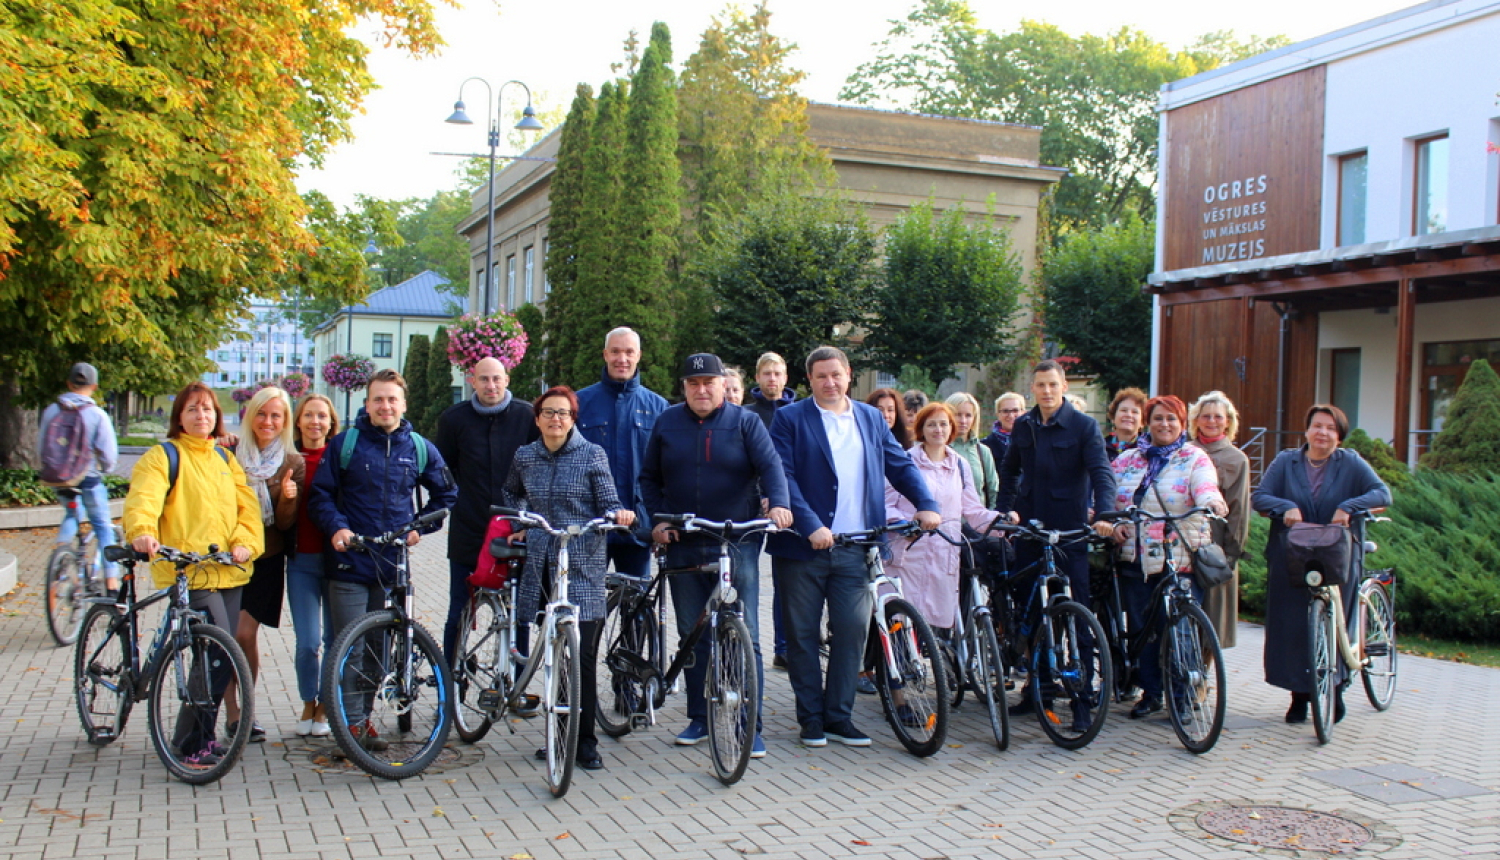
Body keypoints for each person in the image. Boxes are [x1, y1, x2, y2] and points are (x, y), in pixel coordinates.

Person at [768, 346, 940, 748]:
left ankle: (838, 717)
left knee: (851, 633)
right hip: (802, 549)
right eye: (821, 376)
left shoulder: (869, 418)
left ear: (848, 375)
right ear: (809, 380)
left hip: (857, 546)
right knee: (803, 636)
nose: (830, 382)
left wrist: (927, 504)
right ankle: (810, 719)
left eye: (836, 374)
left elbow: (899, 465)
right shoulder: (789, 418)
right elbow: (783, 477)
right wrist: (810, 525)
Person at [639, 354, 791, 757]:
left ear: (724, 385)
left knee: (747, 636)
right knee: (693, 634)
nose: (702, 389)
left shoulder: (745, 422)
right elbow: (648, 478)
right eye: (694, 383)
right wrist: (657, 521)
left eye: (710, 382)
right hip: (684, 540)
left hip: (735, 540)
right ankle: (699, 717)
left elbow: (771, 466)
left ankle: (749, 726)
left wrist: (778, 504)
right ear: (684, 387)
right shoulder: (667, 421)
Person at [308, 369, 456, 756]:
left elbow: (446, 495)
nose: (385, 406)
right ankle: (351, 727)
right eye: (378, 399)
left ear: (403, 405)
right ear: (367, 404)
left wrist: (419, 528)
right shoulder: (346, 443)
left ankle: (362, 719)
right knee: (351, 648)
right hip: (349, 562)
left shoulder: (419, 448)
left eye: (392, 399)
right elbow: (320, 496)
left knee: (378, 649)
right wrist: (337, 527)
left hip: (392, 565)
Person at [122, 381, 262, 768]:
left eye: (207, 409)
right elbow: (144, 499)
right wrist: (143, 532)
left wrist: (245, 543)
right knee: (216, 651)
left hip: (228, 570)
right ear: (179, 418)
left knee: (219, 656)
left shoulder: (224, 459)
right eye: (193, 409)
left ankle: (201, 735)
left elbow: (246, 508)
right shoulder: (163, 456)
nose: (202, 416)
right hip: (188, 569)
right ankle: (189, 741)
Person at [503, 386, 635, 771]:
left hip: (583, 561)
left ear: (573, 418)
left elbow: (609, 501)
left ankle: (585, 741)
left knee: (583, 657)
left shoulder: (592, 454)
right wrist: (524, 521)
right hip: (546, 562)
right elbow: (512, 493)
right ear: (538, 418)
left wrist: (618, 515)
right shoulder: (525, 456)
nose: (556, 419)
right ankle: (558, 735)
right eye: (549, 412)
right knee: (556, 656)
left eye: (563, 413)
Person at [1252, 404, 1390, 724]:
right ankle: (1299, 696)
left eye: (1330, 428)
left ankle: (1336, 690)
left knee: (1337, 620)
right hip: (1293, 554)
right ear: (1306, 430)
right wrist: (1284, 506)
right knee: (1294, 625)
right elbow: (1260, 497)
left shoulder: (1352, 463)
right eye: (1317, 426)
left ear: (1339, 436)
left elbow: (1381, 493)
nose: (1322, 433)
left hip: (1338, 553)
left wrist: (1348, 506)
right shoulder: (1287, 461)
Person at [997, 360, 1116, 727]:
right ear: (1032, 388)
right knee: (1030, 613)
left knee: (1078, 617)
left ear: (1063, 386)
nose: (1046, 391)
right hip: (1031, 530)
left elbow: (1101, 472)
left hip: (1069, 533)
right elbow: (1010, 471)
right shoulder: (1025, 425)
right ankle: (1039, 691)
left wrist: (1106, 515)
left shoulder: (1084, 426)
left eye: (1053, 384)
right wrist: (1003, 513)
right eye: (1040, 385)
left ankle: (1082, 702)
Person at [1110, 395, 1228, 718]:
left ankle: (1182, 695)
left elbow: (1206, 488)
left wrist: (1213, 503)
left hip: (1180, 557)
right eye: (1158, 418)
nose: (1164, 425)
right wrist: (1111, 524)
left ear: (1182, 424)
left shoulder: (1195, 458)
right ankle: (1151, 692)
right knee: (1143, 630)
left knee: (1180, 629)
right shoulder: (1128, 460)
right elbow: (1109, 498)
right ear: (1148, 423)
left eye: (1171, 419)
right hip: (1135, 557)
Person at [434, 356, 538, 663]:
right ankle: (451, 679)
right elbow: (444, 470)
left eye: (496, 378)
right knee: (459, 610)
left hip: (515, 531)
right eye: (483, 379)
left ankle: (517, 685)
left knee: (519, 612)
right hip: (470, 529)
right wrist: (456, 501)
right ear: (472, 381)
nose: (490, 385)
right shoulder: (454, 419)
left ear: (507, 379)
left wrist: (529, 515)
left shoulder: (527, 416)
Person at [224, 386, 305, 742]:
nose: (267, 421)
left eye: (276, 416)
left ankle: (248, 706)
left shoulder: (292, 462)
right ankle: (232, 714)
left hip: (266, 558)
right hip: (227, 558)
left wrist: (288, 499)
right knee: (224, 635)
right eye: (261, 413)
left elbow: (286, 525)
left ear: (285, 421)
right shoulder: (229, 452)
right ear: (250, 415)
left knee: (244, 634)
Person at [885, 402, 1004, 637]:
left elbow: (971, 509)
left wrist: (999, 521)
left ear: (951, 428)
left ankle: (933, 670)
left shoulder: (960, 464)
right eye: (932, 424)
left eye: (943, 424)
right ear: (921, 429)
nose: (938, 429)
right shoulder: (905, 460)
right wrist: (903, 523)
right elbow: (885, 503)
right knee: (901, 621)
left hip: (944, 552)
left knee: (934, 626)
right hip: (909, 550)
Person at [575, 327, 667, 579]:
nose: (622, 359)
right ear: (605, 354)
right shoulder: (580, 403)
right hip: (591, 525)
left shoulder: (659, 407)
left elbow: (665, 470)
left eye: (629, 352)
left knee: (637, 610)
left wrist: (659, 520)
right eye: (615, 351)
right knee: (587, 610)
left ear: (639, 355)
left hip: (638, 526)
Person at [39, 362, 120, 589]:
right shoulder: (96, 414)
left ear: (68, 383)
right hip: (89, 478)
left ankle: (60, 559)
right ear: (94, 386)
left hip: (59, 477)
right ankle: (111, 582)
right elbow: (108, 455)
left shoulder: (51, 411)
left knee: (72, 515)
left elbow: (41, 446)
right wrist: (106, 469)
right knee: (102, 525)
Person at [287, 393, 337, 737]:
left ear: (331, 422)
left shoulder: (339, 457)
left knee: (334, 639)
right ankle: (308, 700)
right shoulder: (287, 458)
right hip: (301, 560)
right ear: (299, 421)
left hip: (337, 561)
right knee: (308, 642)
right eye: (309, 415)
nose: (315, 422)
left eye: (322, 416)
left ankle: (325, 707)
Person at [745, 351, 797, 670]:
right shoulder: (747, 414)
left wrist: (780, 500)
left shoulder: (801, 413)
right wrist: (761, 496)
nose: (772, 379)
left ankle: (784, 647)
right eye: (767, 374)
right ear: (758, 377)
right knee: (745, 576)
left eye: (777, 373)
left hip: (787, 508)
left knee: (786, 579)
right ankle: (745, 644)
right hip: (751, 507)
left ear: (786, 377)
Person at [1188, 391, 1251, 648]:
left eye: (1218, 417)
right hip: (1183, 541)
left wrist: (1230, 553)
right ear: (1196, 420)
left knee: (1212, 618)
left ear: (1228, 422)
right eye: (1206, 416)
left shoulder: (1237, 459)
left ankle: (1202, 675)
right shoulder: (1185, 452)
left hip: (1215, 548)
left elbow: (1239, 509)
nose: (1211, 421)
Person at [945, 392, 999, 507]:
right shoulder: (938, 449)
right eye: (958, 414)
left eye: (968, 415)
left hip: (978, 521)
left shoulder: (983, 451)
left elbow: (993, 490)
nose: (963, 421)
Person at [980, 391, 1025, 469]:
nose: (1011, 416)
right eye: (1005, 411)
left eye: (1015, 410)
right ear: (997, 414)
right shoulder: (984, 446)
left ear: (1023, 412)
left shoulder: (1035, 441)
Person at [1105, 387, 1148, 461]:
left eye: (1135, 412)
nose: (1128, 415)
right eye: (1124, 410)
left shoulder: (1148, 449)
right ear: (1113, 418)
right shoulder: (1100, 447)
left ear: (1142, 422)